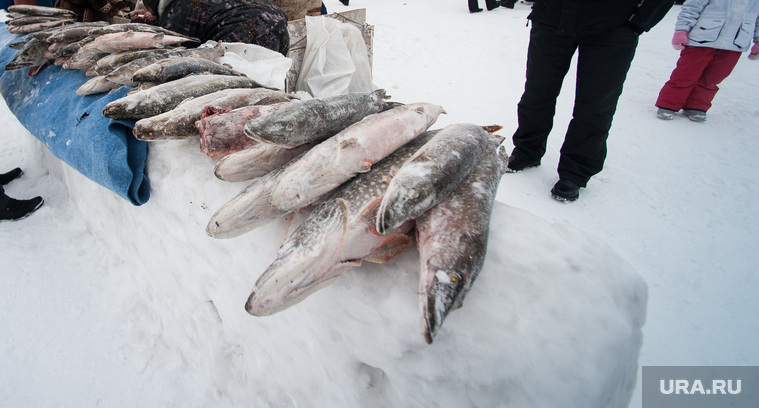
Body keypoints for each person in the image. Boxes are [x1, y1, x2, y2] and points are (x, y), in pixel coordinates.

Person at [506, 0, 674, 202]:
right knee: (537, 92)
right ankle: (527, 150)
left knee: (596, 104)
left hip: (613, 26)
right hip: (552, 17)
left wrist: (641, 20)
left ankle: (575, 171)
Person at [654, 0, 759, 122]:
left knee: (714, 78)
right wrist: (682, 30)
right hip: (702, 38)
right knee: (686, 74)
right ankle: (669, 103)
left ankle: (696, 105)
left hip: (734, 44)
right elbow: (691, 7)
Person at [131, 0, 290, 56]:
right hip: (277, 20)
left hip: (245, 32)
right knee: (271, 74)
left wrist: (159, 22)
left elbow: (179, 46)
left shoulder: (176, 10)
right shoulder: (177, 7)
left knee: (238, 87)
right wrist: (157, 18)